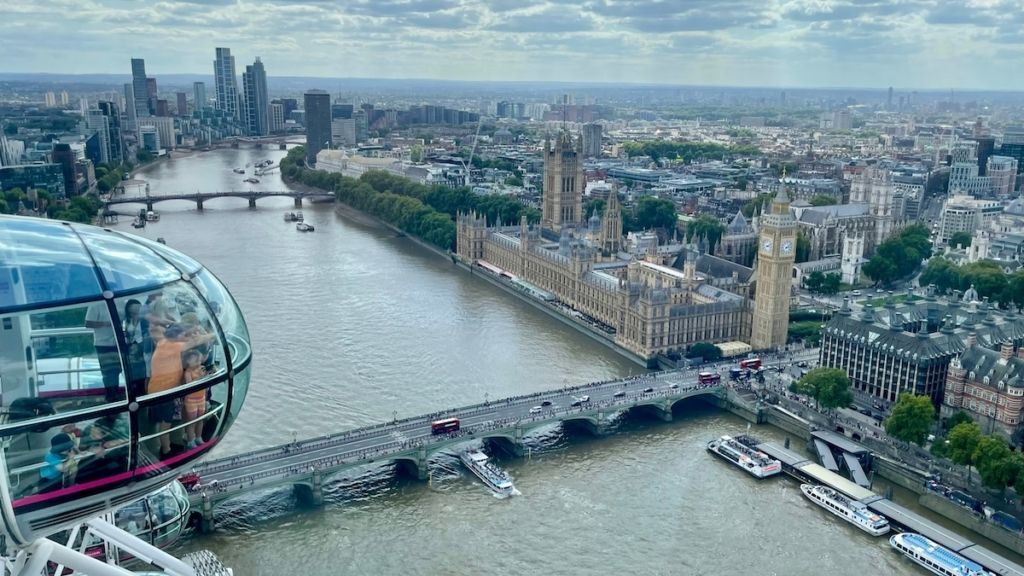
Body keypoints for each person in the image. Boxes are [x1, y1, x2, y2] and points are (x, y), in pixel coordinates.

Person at [147, 323, 215, 457]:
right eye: (183, 335)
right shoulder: (172, 346)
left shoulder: (163, 342)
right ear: (176, 336)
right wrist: (214, 334)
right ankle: (166, 450)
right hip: (164, 392)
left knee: (164, 420)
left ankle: (167, 446)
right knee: (166, 423)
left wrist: (190, 330)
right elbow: (195, 342)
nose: (186, 338)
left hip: (158, 389)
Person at [85, 302, 123, 402]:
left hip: (119, 342)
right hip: (103, 343)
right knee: (108, 372)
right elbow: (88, 323)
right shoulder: (95, 304)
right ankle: (111, 397)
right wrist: (106, 324)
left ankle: (117, 395)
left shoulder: (121, 302)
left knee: (118, 370)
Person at [182, 349, 208, 449]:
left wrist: (208, 373)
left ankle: (198, 437)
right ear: (188, 362)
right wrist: (200, 378)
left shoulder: (201, 368)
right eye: (195, 361)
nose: (198, 363)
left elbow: (206, 380)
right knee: (191, 421)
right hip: (191, 400)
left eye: (199, 360)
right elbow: (189, 385)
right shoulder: (188, 372)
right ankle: (190, 440)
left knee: (200, 420)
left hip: (201, 398)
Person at [122, 299, 146, 397]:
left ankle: (142, 391)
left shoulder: (145, 320)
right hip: (131, 350)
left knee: (143, 371)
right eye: (133, 312)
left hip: (142, 347)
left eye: (138, 311)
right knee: (133, 371)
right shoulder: (126, 321)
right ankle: (135, 391)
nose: (135, 314)